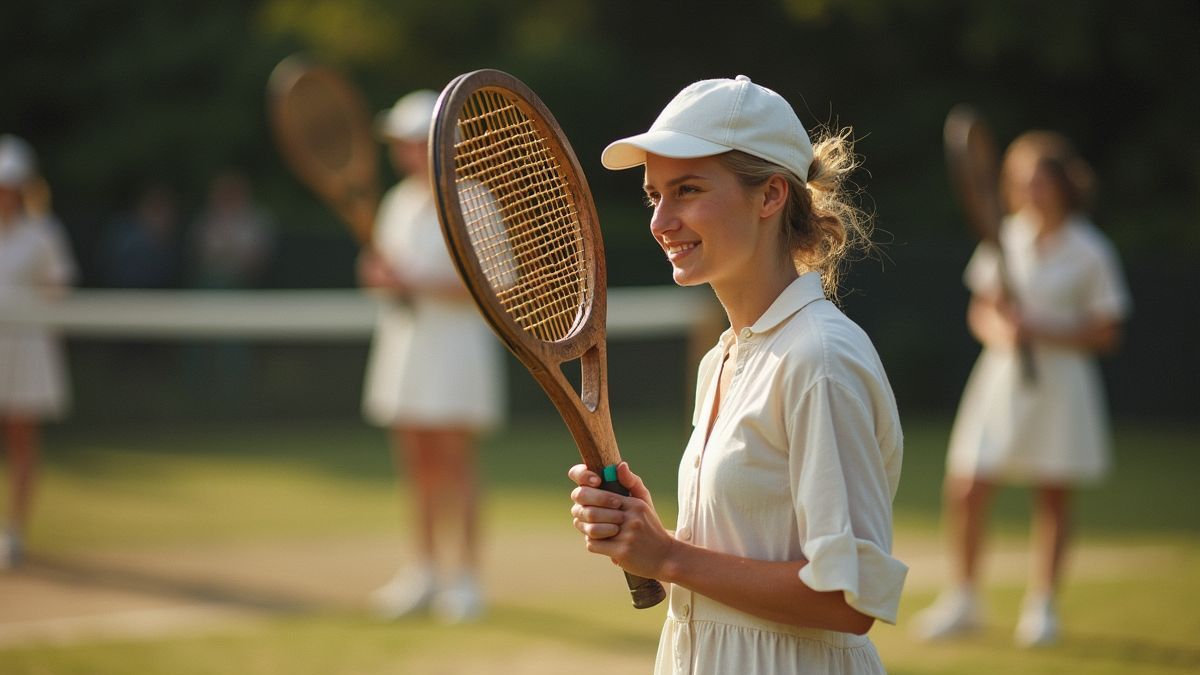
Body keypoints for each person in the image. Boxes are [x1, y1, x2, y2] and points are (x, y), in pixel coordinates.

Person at [568, 76, 906, 674]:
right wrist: (648, 538)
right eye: (654, 196)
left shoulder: (821, 358)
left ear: (771, 194)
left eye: (688, 190)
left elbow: (849, 598)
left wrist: (668, 556)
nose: (661, 221)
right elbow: (738, 571)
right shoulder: (723, 357)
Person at [911, 131, 1132, 647]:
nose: (1031, 191)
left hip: (1061, 382)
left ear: (1062, 185)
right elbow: (981, 311)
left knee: (1053, 493)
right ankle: (964, 598)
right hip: (1003, 377)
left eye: (1040, 181)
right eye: (1021, 182)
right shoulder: (1004, 239)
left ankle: (1043, 607)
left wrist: (1043, 330)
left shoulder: (1091, 250)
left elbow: (1108, 331)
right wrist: (1004, 332)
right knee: (967, 486)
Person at [360, 90, 505, 623]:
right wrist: (378, 278)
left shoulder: (473, 201)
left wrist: (415, 282)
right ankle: (422, 571)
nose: (404, 151)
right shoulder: (396, 202)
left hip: (457, 349)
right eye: (400, 142)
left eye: (413, 141)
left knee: (454, 460)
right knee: (414, 460)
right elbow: (386, 277)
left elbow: (492, 286)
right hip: (406, 346)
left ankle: (465, 578)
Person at [0, 134, 77, 569]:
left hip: (26, 345)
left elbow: (59, 289)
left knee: (21, 441)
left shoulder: (44, 232)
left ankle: (15, 531)